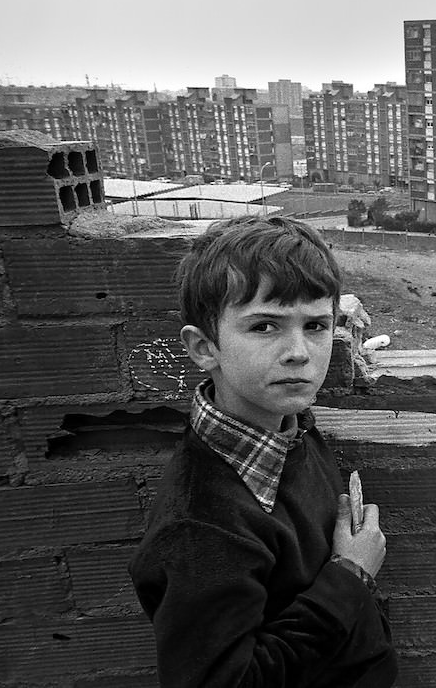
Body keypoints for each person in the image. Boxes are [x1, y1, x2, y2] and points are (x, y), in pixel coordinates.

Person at [129, 215, 397, 687]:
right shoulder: (201, 525)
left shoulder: (289, 426)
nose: (299, 352)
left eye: (315, 325)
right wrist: (351, 574)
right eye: (265, 326)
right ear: (204, 347)